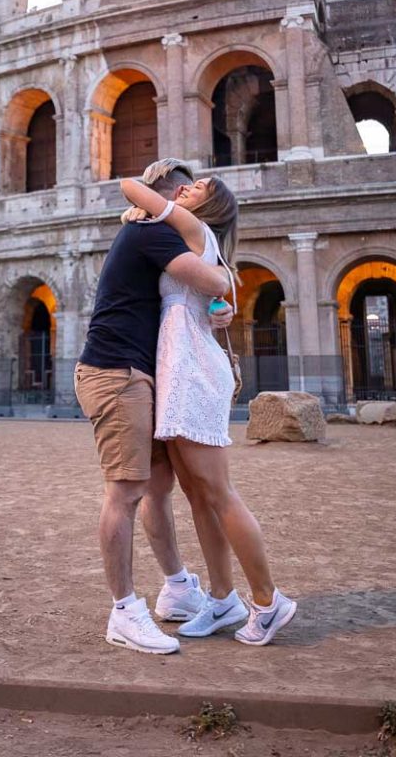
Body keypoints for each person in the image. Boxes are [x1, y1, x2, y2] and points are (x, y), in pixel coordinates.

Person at [119, 173, 297, 647]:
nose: (185, 188)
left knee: (218, 493)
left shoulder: (197, 232)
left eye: (197, 187)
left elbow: (129, 185)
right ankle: (222, 599)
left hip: (192, 370)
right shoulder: (190, 239)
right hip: (178, 366)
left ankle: (268, 600)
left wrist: (149, 205)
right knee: (198, 495)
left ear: (211, 206)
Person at [75, 159, 235, 655]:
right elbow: (213, 281)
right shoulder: (151, 232)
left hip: (140, 374)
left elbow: (194, 299)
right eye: (184, 190)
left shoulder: (155, 233)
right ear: (174, 194)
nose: (187, 196)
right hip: (117, 371)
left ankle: (179, 588)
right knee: (125, 492)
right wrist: (222, 288)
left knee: (158, 488)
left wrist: (217, 312)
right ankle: (124, 611)